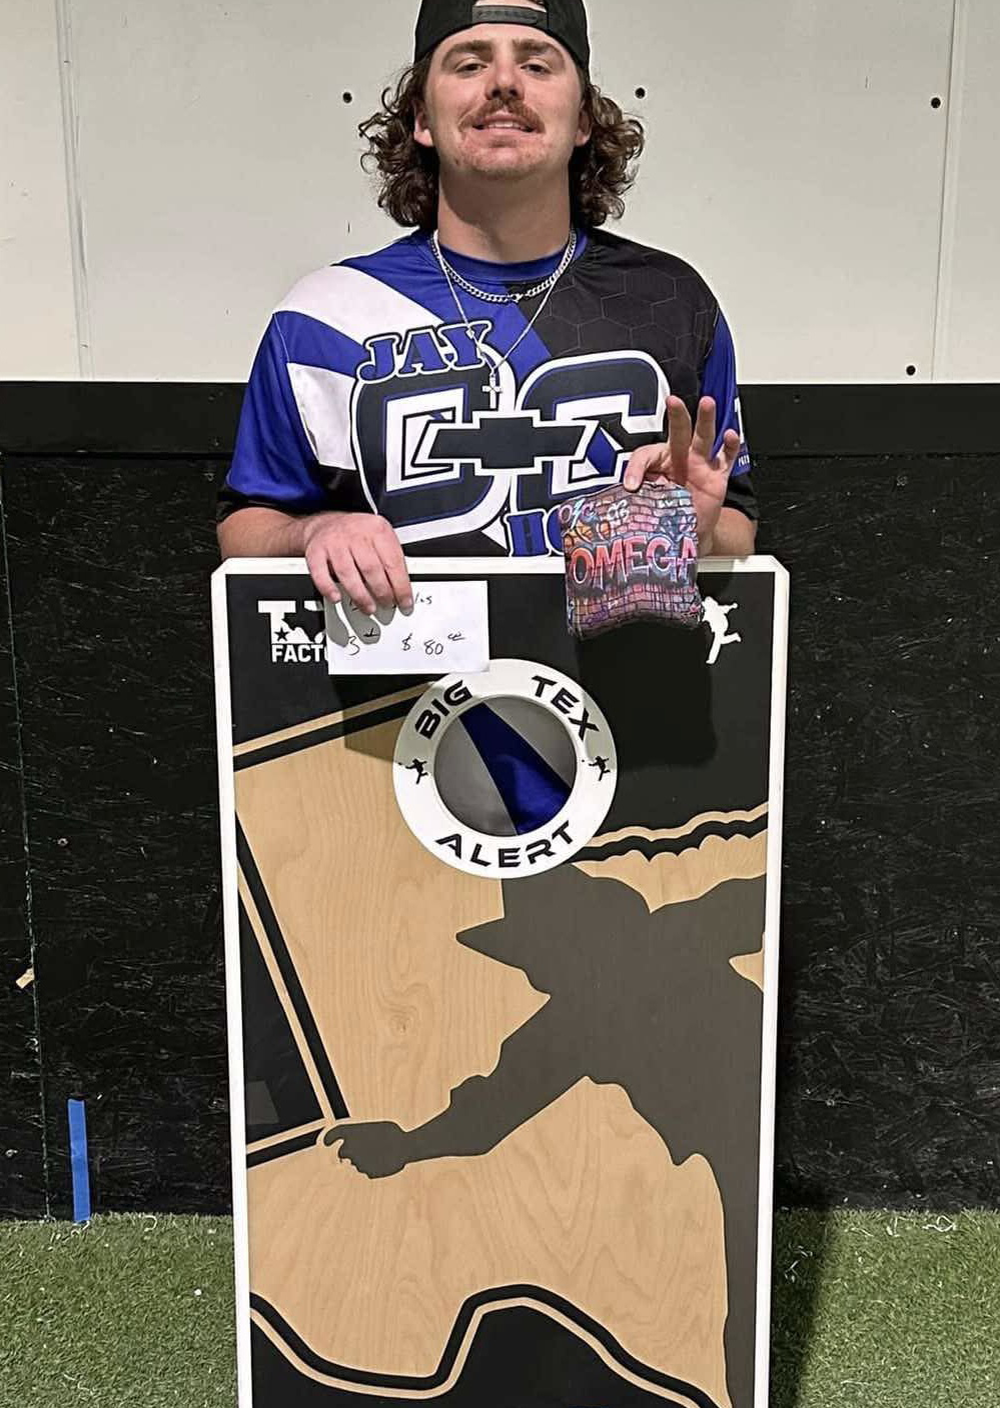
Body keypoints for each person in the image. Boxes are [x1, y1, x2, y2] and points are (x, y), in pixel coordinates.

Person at [217, 0, 758, 616]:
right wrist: (315, 531)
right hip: (402, 672)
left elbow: (735, 521)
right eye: (470, 64)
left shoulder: (674, 300)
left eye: (537, 64)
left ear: (583, 119)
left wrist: (696, 530)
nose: (504, 82)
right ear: (422, 117)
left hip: (614, 673)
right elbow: (245, 524)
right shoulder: (321, 319)